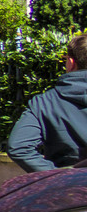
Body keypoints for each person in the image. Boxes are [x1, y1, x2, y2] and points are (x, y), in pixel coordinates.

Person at [8, 33, 87, 172]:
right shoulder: (44, 102)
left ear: (71, 62)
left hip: (66, 190)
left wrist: (57, 175)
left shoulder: (44, 102)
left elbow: (18, 147)